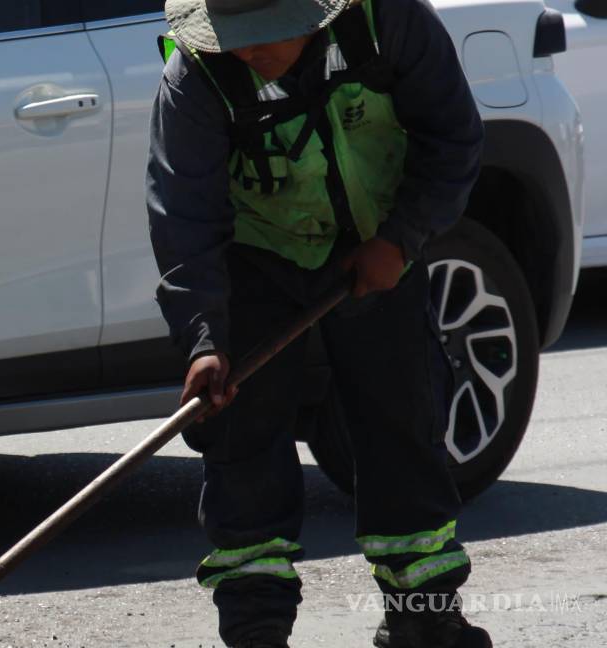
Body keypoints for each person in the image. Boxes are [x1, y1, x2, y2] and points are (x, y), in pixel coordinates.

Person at [146, 0, 490, 646]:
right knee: (240, 445)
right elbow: (183, 222)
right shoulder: (195, 80)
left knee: (403, 427)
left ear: (315, 16)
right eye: (231, 38)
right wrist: (204, 341)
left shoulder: (389, 26)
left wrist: (401, 238)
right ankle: (256, 630)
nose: (244, 52)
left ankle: (425, 620)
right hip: (255, 264)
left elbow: (454, 139)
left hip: (377, 248)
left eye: (260, 36)